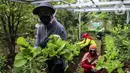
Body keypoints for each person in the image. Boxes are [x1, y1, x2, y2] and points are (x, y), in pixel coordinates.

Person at [33, 2, 67, 73]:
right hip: (46, 60)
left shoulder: (59, 28)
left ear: (51, 13)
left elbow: (65, 47)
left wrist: (59, 61)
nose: (42, 15)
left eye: (45, 12)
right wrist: (34, 52)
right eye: (40, 14)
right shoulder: (40, 28)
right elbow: (37, 43)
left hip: (58, 63)